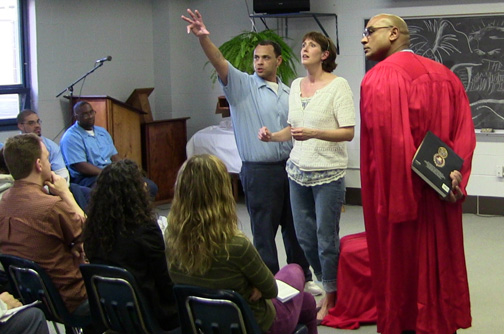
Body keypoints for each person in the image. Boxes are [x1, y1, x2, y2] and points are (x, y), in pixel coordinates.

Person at [182, 9, 321, 296]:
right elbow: (219, 62)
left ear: (278, 61)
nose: (259, 62)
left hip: (291, 168)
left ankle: (302, 276)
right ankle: (270, 283)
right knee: (263, 232)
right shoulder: (242, 87)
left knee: (294, 228)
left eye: (265, 57)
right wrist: (203, 38)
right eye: (256, 57)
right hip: (260, 172)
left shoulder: (290, 92)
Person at [359, 14, 475, 334]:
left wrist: (397, 201)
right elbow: (465, 133)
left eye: (370, 32)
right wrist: (456, 178)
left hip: (402, 203)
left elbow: (388, 147)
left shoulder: (380, 77)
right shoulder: (447, 77)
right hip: (440, 195)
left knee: (403, 277)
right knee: (439, 265)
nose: (363, 38)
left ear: (394, 33)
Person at [258, 31, 355, 323]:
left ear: (325, 55)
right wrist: (272, 136)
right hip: (297, 172)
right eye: (302, 45)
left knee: (326, 238)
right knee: (303, 236)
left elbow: (347, 132)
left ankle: (331, 293)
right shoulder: (297, 85)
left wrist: (315, 133)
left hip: (328, 174)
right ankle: (326, 281)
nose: (304, 49)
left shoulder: (339, 86)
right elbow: (293, 128)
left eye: (311, 45)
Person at [166, 154, 317, 334]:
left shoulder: (171, 237)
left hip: (202, 322)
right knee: (294, 270)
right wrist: (257, 287)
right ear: (222, 192)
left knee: (307, 302)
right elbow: (270, 289)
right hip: (254, 325)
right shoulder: (236, 244)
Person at [82, 159, 179, 332]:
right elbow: (163, 281)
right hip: (149, 314)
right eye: (139, 182)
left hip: (111, 312)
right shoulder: (146, 228)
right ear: (132, 192)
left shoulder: (93, 228)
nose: (144, 185)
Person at [0, 134, 88, 315]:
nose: (50, 165)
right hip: (71, 299)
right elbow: (91, 238)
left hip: (30, 297)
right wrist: (66, 194)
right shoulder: (52, 207)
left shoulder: (3, 203)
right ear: (39, 165)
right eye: (48, 159)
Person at [60, 101, 158, 198]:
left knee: (150, 186)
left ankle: (142, 212)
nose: (90, 116)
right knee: (122, 189)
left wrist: (124, 170)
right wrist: (108, 173)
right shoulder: (71, 137)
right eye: (85, 114)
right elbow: (81, 166)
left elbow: (114, 156)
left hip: (111, 172)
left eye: (91, 112)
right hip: (88, 178)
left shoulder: (102, 132)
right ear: (76, 117)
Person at [17, 109, 91, 209]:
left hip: (54, 187)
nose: (37, 125)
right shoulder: (15, 148)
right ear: (21, 126)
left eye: (38, 121)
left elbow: (63, 175)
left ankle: (85, 222)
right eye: (31, 123)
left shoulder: (51, 146)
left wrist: (53, 189)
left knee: (88, 194)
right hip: (30, 191)